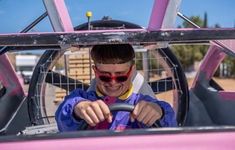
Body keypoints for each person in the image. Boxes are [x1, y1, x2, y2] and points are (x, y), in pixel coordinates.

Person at [55, 44, 177, 131]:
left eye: (120, 76)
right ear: (95, 71)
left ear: (132, 71)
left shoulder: (142, 103)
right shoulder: (84, 99)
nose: (113, 83)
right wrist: (78, 109)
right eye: (105, 76)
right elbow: (64, 113)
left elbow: (170, 123)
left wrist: (159, 112)